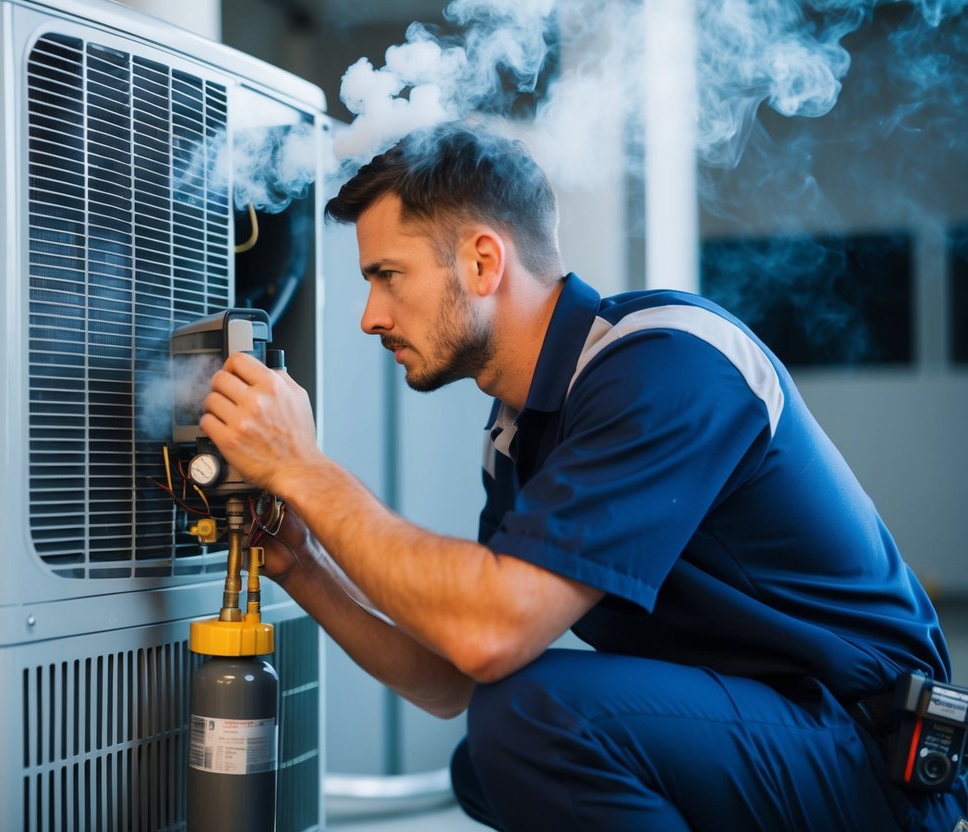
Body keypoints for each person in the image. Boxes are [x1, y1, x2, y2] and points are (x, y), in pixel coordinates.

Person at [197, 121, 968, 831]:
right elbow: (454, 676)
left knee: (534, 718)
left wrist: (305, 468)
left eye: (387, 275)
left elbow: (488, 634)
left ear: (482, 260)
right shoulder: (516, 435)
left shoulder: (668, 362)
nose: (370, 315)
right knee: (488, 760)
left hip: (871, 757)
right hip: (776, 738)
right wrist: (302, 566)